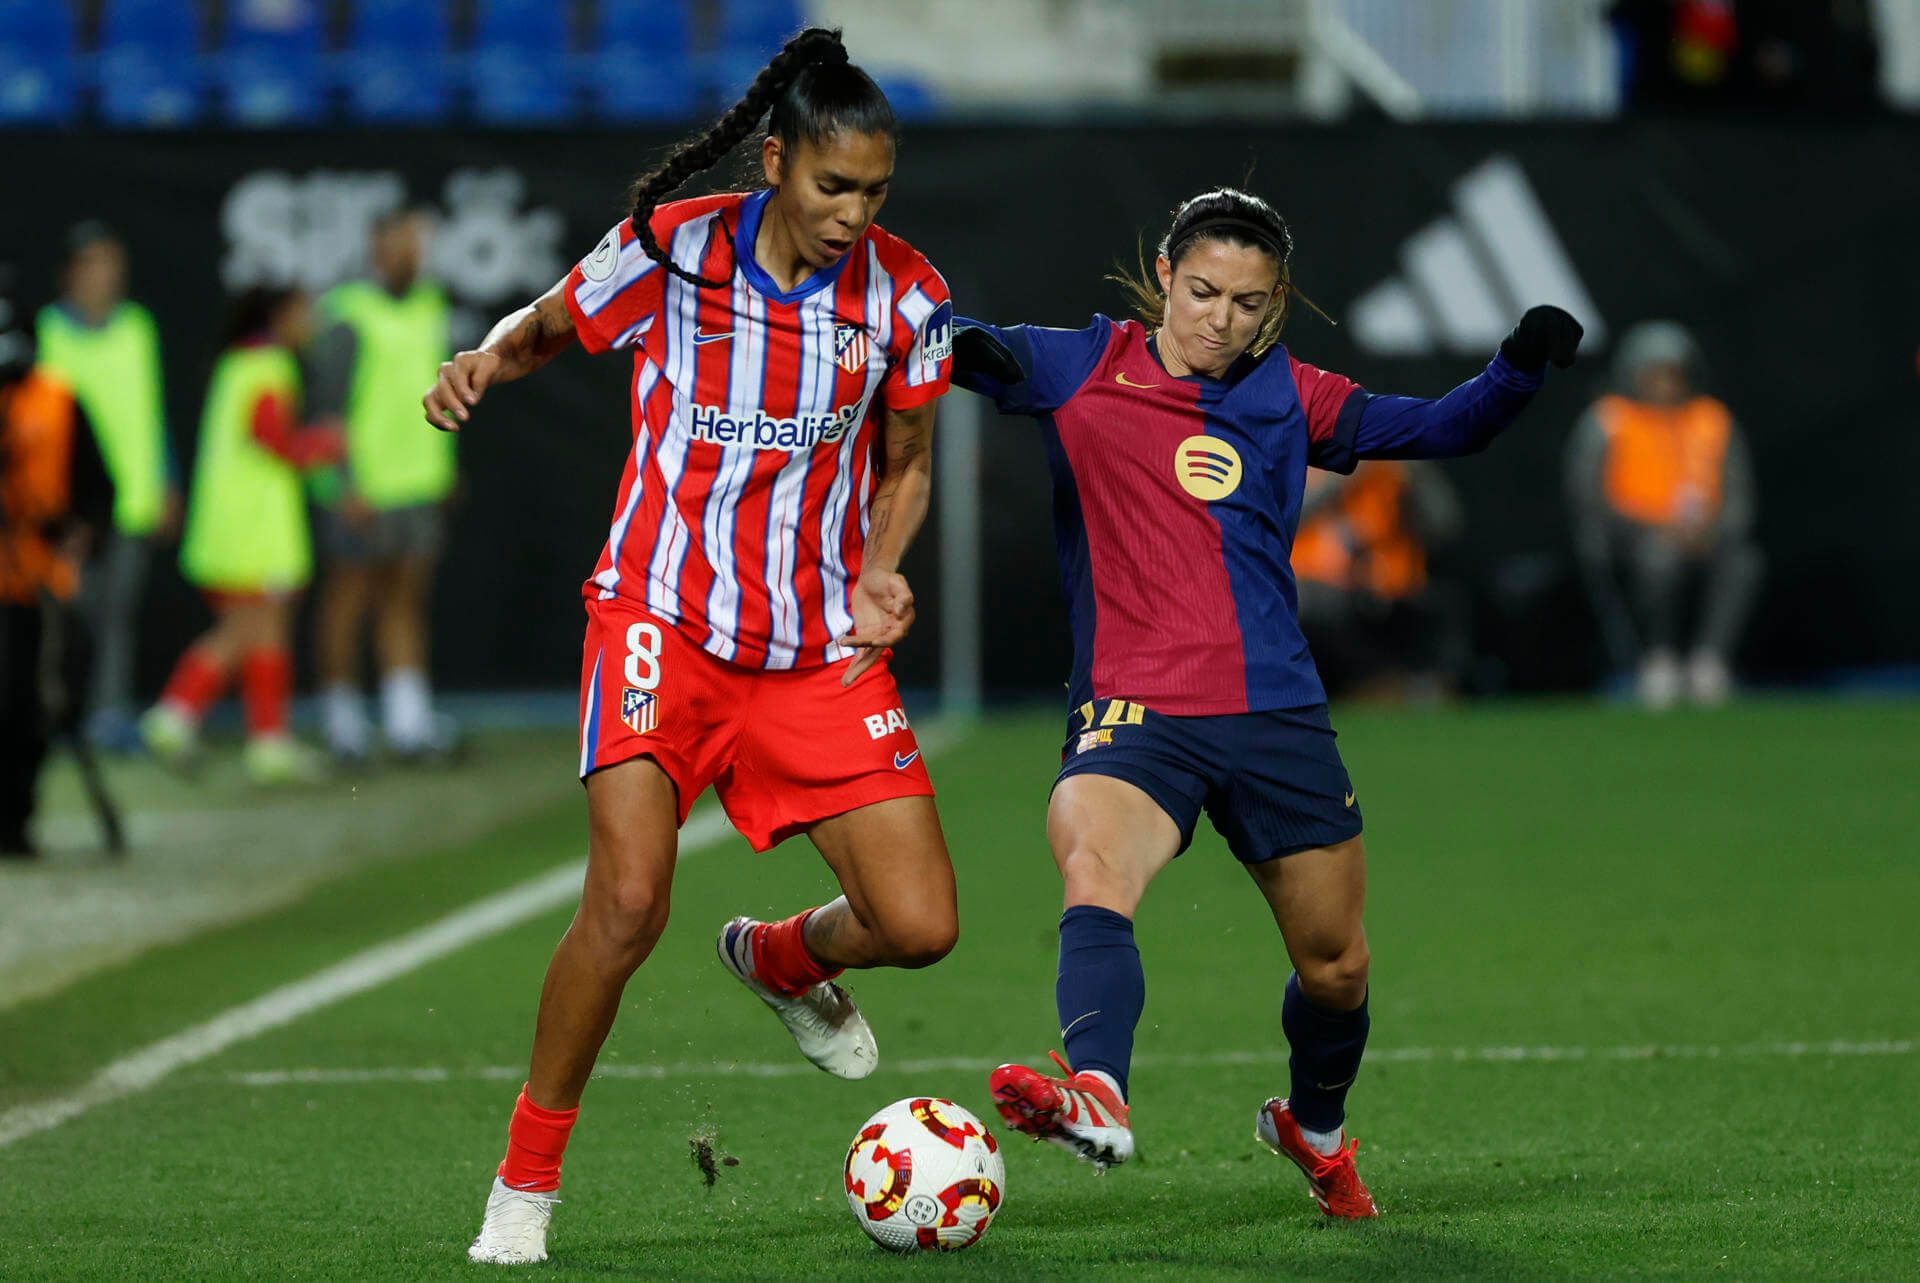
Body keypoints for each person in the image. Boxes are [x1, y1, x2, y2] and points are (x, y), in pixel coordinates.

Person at [426, 29, 959, 1265]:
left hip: (815, 645)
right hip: (661, 622)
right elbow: (547, 322)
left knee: (921, 921)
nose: (854, 214)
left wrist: (882, 566)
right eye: (834, 186)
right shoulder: (674, 247)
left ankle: (779, 959)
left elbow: (908, 462)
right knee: (626, 901)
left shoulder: (910, 296)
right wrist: (485, 361)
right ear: (776, 163)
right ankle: (524, 1182)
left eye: (876, 192)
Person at [950, 188, 1580, 1218]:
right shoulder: (1078, 364)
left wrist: (1518, 364)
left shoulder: (1296, 393)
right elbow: (949, 345)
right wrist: (926, 331)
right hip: (1136, 708)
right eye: (1203, 292)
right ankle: (1096, 1087)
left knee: (1337, 968)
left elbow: (1443, 428)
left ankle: (1313, 1125)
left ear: (1274, 302)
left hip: (1276, 713)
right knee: (1096, 863)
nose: (1220, 320)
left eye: (1247, 303)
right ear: (1165, 274)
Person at [138, 287, 341, 784]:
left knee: (265, 630)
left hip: (230, 523)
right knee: (249, 628)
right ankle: (174, 715)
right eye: (303, 313)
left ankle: (267, 742)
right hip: (253, 527)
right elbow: (270, 437)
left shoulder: (237, 362)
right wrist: (323, 444)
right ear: (281, 316)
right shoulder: (270, 365)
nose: (310, 324)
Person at [308, 209, 459, 762]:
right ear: (376, 249)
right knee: (347, 601)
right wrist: (341, 484)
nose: (409, 254)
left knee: (405, 600)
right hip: (363, 489)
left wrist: (444, 467)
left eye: (415, 244)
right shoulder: (347, 312)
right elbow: (325, 407)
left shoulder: (431, 304)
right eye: (398, 245)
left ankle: (406, 722)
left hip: (417, 484)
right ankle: (342, 722)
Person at [34, 222, 177, 753]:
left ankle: (107, 715)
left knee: (116, 617)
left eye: (113, 266)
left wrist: (166, 480)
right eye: (94, 265)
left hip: (132, 502)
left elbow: (152, 410)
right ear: (70, 272)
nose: (105, 277)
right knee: (59, 620)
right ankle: (50, 716)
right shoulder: (45, 333)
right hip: (65, 510)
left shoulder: (138, 327)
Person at [1565, 320, 1760, 708]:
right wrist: (1651, 529)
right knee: (1660, 562)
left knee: (1743, 564)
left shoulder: (1712, 419)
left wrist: (1713, 530)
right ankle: (1660, 658)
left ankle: (1710, 661)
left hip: (1707, 536)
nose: (1664, 385)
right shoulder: (1609, 420)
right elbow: (1587, 496)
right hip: (1636, 538)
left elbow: (1739, 495)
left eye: (1673, 374)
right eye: (1654, 374)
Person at [0, 265, 114, 857]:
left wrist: (82, 532)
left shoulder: (57, 399)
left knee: (36, 701)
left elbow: (98, 489)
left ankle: (15, 818)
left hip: (37, 586)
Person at [1292, 459, 1467, 701]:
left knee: (1443, 605)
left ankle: (1421, 689)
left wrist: (1417, 473)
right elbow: (1284, 517)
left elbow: (1445, 525)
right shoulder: (1302, 461)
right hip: (1321, 587)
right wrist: (1344, 476)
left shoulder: (1394, 466)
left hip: (1392, 588)